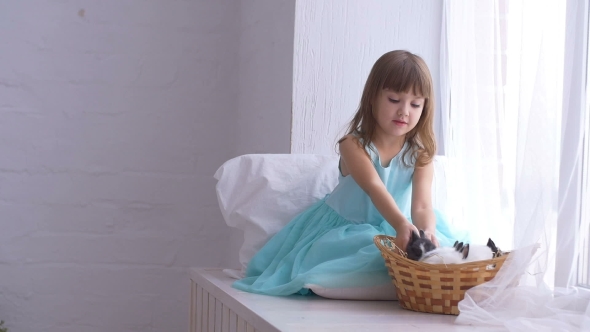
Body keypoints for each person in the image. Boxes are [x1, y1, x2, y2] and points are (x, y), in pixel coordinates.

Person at [232, 50, 469, 297]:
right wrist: (399, 224)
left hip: (399, 226)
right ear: (372, 99)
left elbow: (421, 205)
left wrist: (427, 231)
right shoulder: (353, 145)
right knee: (364, 253)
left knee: (445, 256)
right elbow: (374, 187)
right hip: (351, 226)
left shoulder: (419, 154)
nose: (404, 111)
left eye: (415, 104)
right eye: (394, 99)